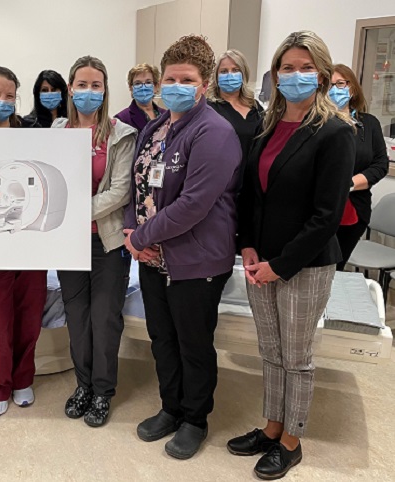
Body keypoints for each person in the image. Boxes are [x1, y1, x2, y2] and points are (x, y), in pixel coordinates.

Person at [229, 31, 355, 480]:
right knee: (271, 351)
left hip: (304, 264)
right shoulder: (268, 126)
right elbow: (252, 195)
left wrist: (279, 265)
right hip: (259, 260)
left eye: (305, 68)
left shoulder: (336, 132)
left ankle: (292, 440)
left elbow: (326, 216)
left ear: (320, 74)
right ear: (275, 74)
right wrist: (245, 245)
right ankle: (271, 426)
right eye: (287, 67)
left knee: (297, 357)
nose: (295, 75)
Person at [124, 35, 242, 460]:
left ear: (203, 85)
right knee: (162, 338)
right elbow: (136, 188)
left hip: (196, 259)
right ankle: (170, 408)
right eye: (170, 78)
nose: (176, 85)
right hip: (154, 257)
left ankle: (195, 418)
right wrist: (130, 231)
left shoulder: (215, 132)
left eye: (186, 79)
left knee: (193, 343)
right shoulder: (156, 127)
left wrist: (140, 237)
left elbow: (193, 205)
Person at [52, 56, 136, 428]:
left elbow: (119, 192)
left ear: (105, 90)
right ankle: (83, 385)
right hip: (68, 243)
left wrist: (73, 211)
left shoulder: (122, 135)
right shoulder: (57, 130)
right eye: (82, 85)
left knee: (105, 319)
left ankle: (103, 391)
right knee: (78, 317)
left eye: (96, 85)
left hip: (108, 243)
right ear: (71, 89)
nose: (89, 92)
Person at [0, 66, 48, 417]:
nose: (3, 102)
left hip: (30, 244)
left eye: (10, 96)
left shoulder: (31, 135)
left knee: (29, 319)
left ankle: (23, 379)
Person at [328, 64, 389, 270]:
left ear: (351, 88)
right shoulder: (316, 122)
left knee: (337, 266)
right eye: (328, 85)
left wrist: (349, 184)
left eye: (340, 84)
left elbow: (380, 164)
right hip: (319, 210)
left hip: (354, 208)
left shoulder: (369, 124)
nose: (334, 90)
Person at [207, 50, 265, 162]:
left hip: (253, 174)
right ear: (216, 77)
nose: (230, 75)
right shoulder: (209, 109)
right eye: (223, 71)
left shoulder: (255, 107)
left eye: (235, 70)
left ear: (243, 74)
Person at [115, 63, 163, 131]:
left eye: (148, 82)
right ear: (131, 88)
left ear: (156, 86)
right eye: (138, 83)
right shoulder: (121, 119)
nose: (143, 87)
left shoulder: (166, 115)